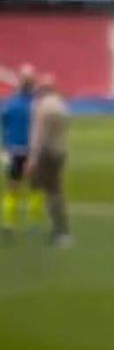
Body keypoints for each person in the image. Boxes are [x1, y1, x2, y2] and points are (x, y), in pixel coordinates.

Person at [26, 72, 72, 247]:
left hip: (46, 152)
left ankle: (59, 231)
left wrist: (33, 160)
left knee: (49, 191)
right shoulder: (61, 105)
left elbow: (37, 136)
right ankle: (62, 230)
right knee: (57, 190)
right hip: (61, 152)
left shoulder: (41, 106)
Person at [1, 64, 45, 240]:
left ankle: (8, 224)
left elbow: (3, 124)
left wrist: (4, 146)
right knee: (35, 187)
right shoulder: (36, 104)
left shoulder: (10, 104)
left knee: (13, 188)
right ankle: (34, 224)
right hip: (32, 151)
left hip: (14, 151)